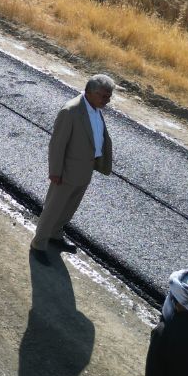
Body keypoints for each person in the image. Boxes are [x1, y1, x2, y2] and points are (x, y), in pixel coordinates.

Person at [30, 73, 115, 262]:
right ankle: (39, 244)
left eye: (109, 97)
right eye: (104, 96)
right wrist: (55, 172)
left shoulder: (95, 108)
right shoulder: (70, 111)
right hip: (66, 172)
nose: (107, 101)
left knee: (69, 208)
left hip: (84, 170)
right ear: (90, 92)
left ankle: (55, 235)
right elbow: (57, 144)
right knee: (53, 209)